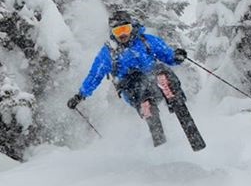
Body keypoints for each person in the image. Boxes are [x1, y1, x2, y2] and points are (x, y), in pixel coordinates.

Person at [67, 10, 206, 150]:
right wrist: (80, 95)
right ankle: (150, 114)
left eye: (125, 29)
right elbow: (95, 75)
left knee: (161, 71)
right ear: (112, 33)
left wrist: (176, 56)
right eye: (118, 31)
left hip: (154, 80)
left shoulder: (145, 41)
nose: (122, 35)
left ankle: (173, 98)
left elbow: (167, 55)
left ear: (131, 27)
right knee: (138, 85)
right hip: (132, 88)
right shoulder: (109, 52)